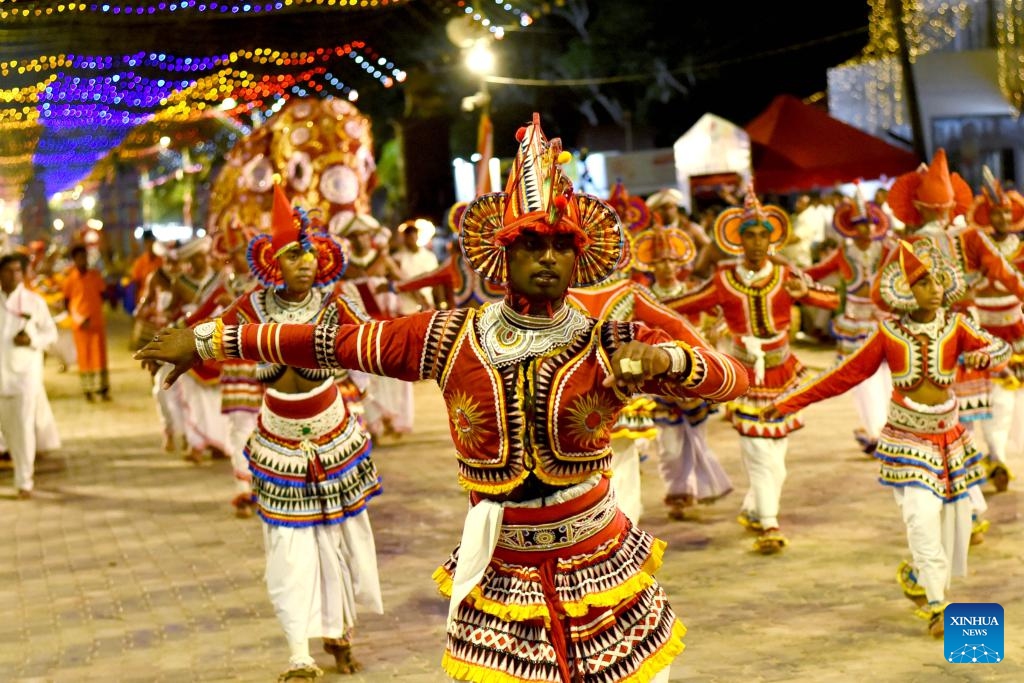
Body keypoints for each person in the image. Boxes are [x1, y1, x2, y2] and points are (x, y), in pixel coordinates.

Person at [138, 114, 750, 683]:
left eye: (560, 246)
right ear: (503, 257)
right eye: (531, 246)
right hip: (503, 556)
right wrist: (210, 338)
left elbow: (733, 378)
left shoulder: (610, 330)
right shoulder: (450, 336)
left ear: (577, 256)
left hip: (600, 553)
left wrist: (671, 359)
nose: (547, 258)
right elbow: (333, 342)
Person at [172, 185, 383, 681]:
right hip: (277, 441)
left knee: (339, 541)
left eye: (310, 254)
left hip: (334, 439)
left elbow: (372, 350)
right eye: (293, 255)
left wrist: (362, 397)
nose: (304, 263)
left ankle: (339, 635)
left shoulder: (338, 304)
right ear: (273, 264)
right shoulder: (254, 306)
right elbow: (215, 334)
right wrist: (181, 349)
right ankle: (298, 653)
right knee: (288, 547)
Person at [765, 240, 1007, 637]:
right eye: (924, 282)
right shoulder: (890, 333)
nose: (934, 289)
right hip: (908, 437)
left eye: (937, 281)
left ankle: (917, 575)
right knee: (921, 516)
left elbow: (998, 346)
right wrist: (791, 401)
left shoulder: (958, 325)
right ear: (906, 289)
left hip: (950, 436)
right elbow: (844, 375)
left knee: (955, 525)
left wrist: (988, 355)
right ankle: (936, 604)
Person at [664, 185, 840, 554]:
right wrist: (638, 301)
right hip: (743, 374)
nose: (758, 243)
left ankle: (755, 507)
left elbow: (831, 298)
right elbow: (681, 304)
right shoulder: (724, 279)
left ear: (772, 238)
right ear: (738, 240)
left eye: (764, 235)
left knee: (777, 457)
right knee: (758, 451)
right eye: (751, 236)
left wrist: (803, 291)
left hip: (781, 370)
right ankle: (770, 524)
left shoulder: (784, 274)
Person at [631, 223, 734, 520]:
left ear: (681, 263)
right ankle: (678, 488)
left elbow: (722, 315)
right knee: (670, 445)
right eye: (660, 261)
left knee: (696, 437)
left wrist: (713, 335)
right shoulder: (643, 297)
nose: (666, 266)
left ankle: (691, 489)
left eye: (672, 261)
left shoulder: (691, 292)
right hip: (659, 381)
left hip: (691, 375)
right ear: (650, 265)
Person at [803, 186, 893, 454]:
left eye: (868, 223)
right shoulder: (845, 252)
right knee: (861, 378)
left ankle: (888, 428)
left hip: (882, 320)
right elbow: (818, 271)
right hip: (855, 321)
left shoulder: (887, 249)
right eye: (859, 224)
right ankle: (874, 429)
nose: (864, 229)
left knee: (888, 376)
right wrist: (790, 274)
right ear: (850, 227)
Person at [964, 167, 1024, 492]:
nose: (1002, 218)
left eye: (1006, 212)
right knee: (986, 396)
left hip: (1015, 330)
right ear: (987, 215)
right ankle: (994, 455)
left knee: (1009, 398)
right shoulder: (975, 247)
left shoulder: (1021, 248)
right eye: (996, 213)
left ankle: (997, 453)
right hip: (981, 328)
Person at [0, 253, 58, 499]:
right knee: (8, 431)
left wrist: (32, 340)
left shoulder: (34, 303)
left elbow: (51, 334)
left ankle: (24, 481)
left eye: (18, 271)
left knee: (23, 428)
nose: (14, 276)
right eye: (8, 271)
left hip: (24, 376)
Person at [62, 244, 111, 401]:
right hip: (80, 326)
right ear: (74, 260)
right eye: (79, 257)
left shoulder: (95, 276)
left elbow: (103, 294)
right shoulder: (70, 279)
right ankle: (88, 389)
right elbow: (67, 301)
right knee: (84, 356)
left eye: (84, 257)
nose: (83, 260)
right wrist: (78, 317)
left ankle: (102, 388)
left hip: (96, 323)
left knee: (99, 355)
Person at [129, 230, 164, 306]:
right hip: (144, 301)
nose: (150, 244)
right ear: (145, 243)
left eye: (152, 241)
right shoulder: (139, 262)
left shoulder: (162, 260)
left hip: (159, 301)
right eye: (148, 242)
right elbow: (135, 285)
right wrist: (137, 304)